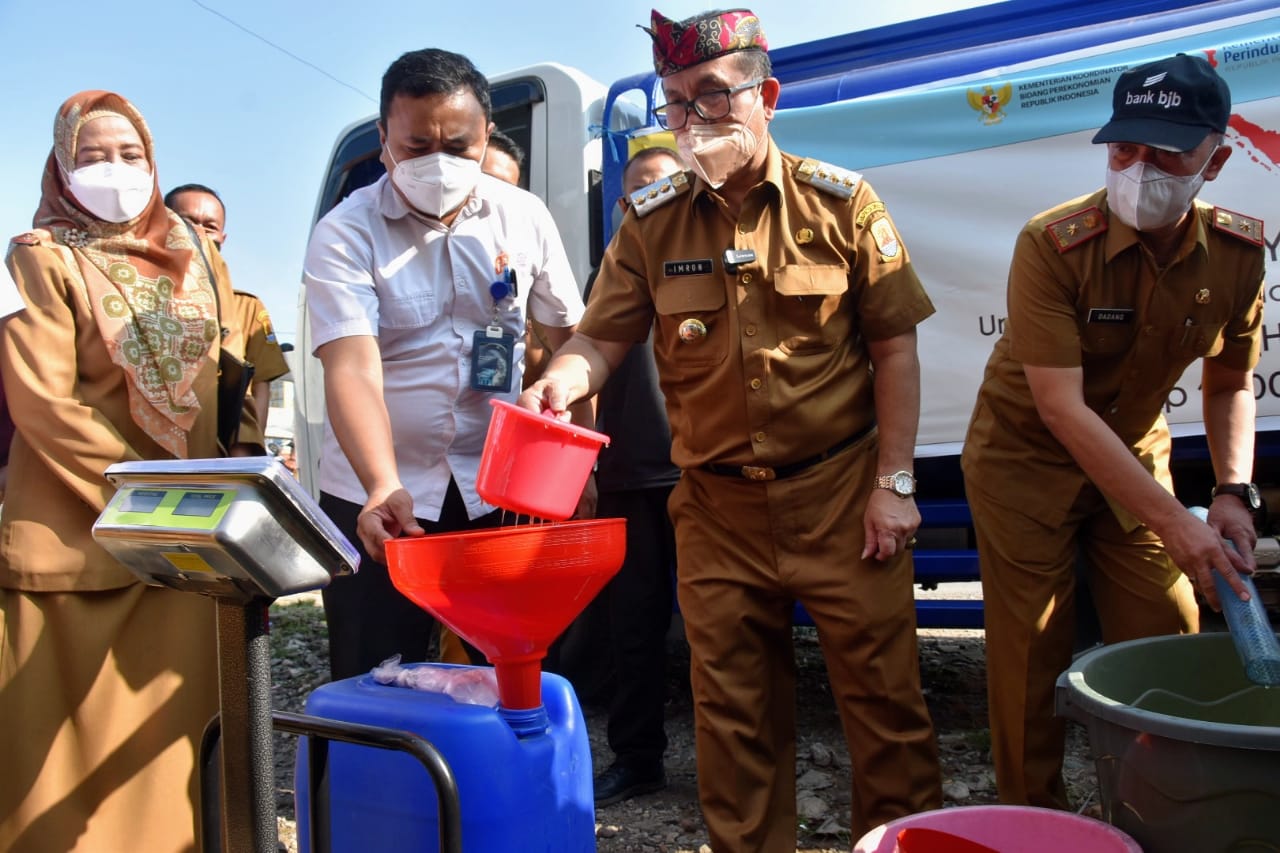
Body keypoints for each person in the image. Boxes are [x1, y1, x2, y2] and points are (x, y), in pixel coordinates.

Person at [520, 9, 942, 846]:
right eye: (676, 103)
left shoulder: (841, 203)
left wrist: (895, 484)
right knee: (732, 725)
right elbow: (601, 338)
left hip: (841, 500)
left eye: (713, 95)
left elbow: (895, 348)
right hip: (715, 511)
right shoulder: (650, 221)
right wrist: (560, 383)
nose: (692, 119)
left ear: (766, 95)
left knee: (887, 715)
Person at [960, 53, 1262, 810]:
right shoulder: (1052, 244)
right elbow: (1061, 410)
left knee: (1168, 627)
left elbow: (1229, 382)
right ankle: (1033, 820)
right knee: (1032, 655)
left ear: (1216, 159)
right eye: (1125, 147)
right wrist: (1174, 523)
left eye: (1167, 151)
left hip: (1130, 454)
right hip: (1022, 463)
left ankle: (1171, 810)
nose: (1140, 168)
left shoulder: (1238, 254)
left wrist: (1231, 492)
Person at [0, 90, 262, 852]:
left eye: (130, 155)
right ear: (59, 166)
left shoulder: (202, 261)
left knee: (179, 756)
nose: (113, 170)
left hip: (184, 546)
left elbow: (234, 376)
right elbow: (44, 404)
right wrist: (145, 496)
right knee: (59, 769)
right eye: (91, 155)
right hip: (81, 539)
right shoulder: (45, 258)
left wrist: (235, 472)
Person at [304, 48, 590, 681]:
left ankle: (486, 781)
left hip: (499, 488)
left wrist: (579, 467)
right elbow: (352, 368)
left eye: (458, 146)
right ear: (384, 140)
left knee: (506, 668)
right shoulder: (346, 233)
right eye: (415, 146)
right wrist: (381, 482)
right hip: (381, 499)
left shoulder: (525, 216)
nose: (438, 163)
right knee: (377, 675)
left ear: (486, 135)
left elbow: (573, 337)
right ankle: (371, 783)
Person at [589, 145, 685, 807]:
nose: (650, 200)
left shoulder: (702, 259)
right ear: (622, 206)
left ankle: (742, 766)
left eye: (665, 186)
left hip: (703, 475)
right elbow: (580, 366)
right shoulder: (608, 274)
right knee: (633, 630)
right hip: (626, 477)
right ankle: (637, 757)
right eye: (637, 192)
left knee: (723, 627)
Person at [165, 183, 291, 428]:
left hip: (214, 447)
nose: (199, 233)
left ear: (222, 237)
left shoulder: (245, 309)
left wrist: (248, 454)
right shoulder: (131, 296)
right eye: (187, 222)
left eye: (210, 227)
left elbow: (258, 388)